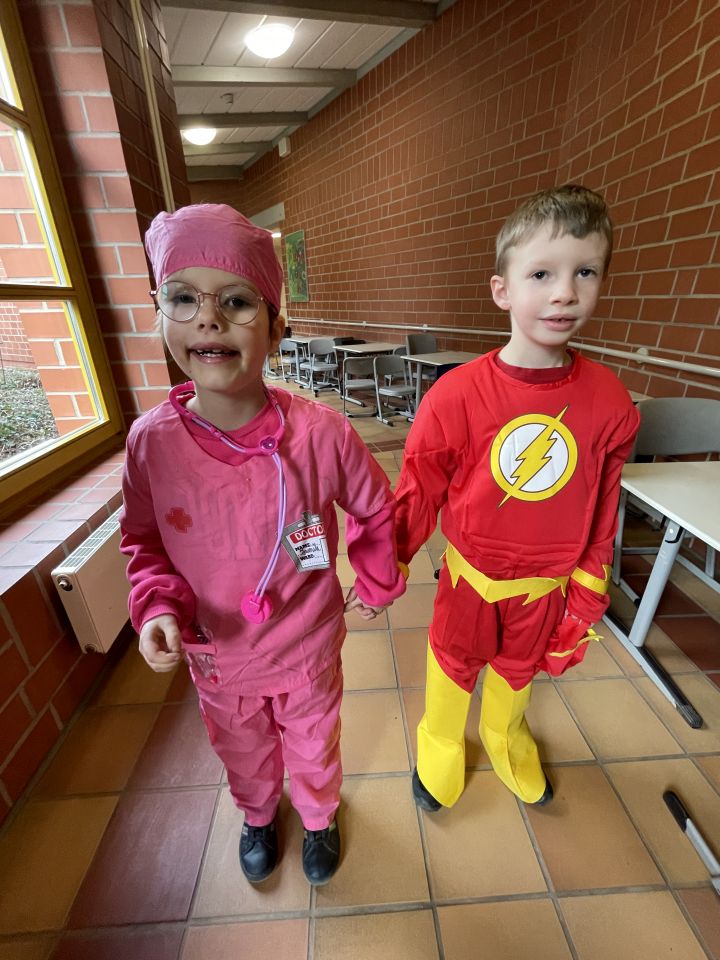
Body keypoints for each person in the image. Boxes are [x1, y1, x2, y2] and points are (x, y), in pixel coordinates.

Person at [119, 203, 406, 886]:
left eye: (236, 301)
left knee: (314, 741)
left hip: (305, 644)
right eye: (182, 299)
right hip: (219, 654)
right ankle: (256, 813)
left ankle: (318, 816)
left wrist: (375, 579)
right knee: (240, 748)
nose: (208, 320)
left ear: (276, 325)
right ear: (159, 314)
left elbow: (376, 509)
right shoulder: (151, 444)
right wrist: (156, 607)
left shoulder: (321, 434)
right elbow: (143, 541)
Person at [394, 184, 640, 812]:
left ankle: (504, 738)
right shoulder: (455, 395)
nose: (565, 293)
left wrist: (588, 587)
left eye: (585, 272)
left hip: (545, 584)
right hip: (469, 579)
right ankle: (441, 743)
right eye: (541, 274)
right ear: (502, 289)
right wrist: (387, 560)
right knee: (452, 660)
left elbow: (603, 505)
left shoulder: (610, 403)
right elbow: (419, 487)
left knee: (518, 667)